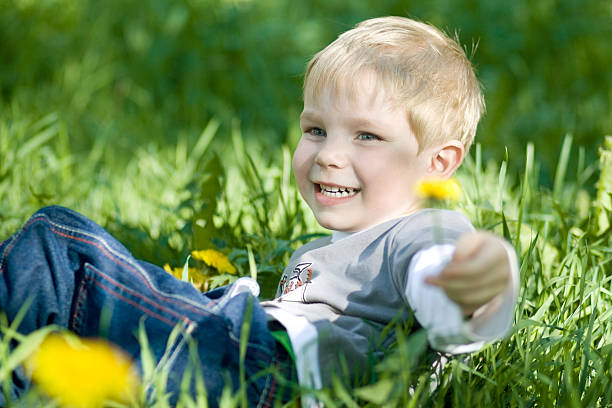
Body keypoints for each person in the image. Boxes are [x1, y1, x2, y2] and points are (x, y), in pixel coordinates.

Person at [0, 16, 518, 407]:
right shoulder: (332, 248)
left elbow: (450, 300)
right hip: (245, 356)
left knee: (58, 253)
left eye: (366, 135)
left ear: (438, 162)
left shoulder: (424, 230)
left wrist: (475, 282)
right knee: (48, 339)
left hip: (265, 368)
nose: (329, 154)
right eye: (315, 130)